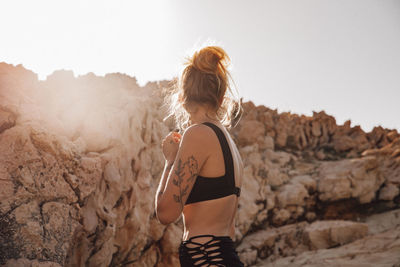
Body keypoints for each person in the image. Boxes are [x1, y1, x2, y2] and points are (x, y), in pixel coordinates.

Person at [154, 45, 244, 267]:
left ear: (182, 97)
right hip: (223, 256)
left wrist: (170, 161)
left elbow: (165, 213)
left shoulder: (198, 134)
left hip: (207, 259)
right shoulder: (229, 143)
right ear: (221, 97)